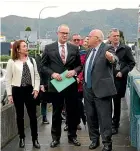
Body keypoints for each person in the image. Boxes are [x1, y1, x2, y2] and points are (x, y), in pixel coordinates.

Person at [41, 24, 82, 148]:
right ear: (57, 33)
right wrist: (52, 74)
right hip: (56, 86)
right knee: (56, 112)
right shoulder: (48, 48)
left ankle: (72, 136)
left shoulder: (74, 48)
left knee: (72, 112)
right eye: (63, 33)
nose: (65, 35)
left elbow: (80, 66)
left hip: (70, 85)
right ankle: (55, 138)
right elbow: (42, 66)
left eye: (67, 33)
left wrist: (74, 71)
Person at [83, 29, 118, 151]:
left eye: (89, 36)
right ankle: (94, 140)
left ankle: (107, 143)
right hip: (88, 89)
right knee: (90, 116)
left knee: (104, 118)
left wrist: (111, 58)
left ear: (97, 38)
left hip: (101, 90)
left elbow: (115, 60)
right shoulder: (89, 51)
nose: (87, 38)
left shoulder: (107, 48)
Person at [5, 40, 40, 149]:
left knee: (33, 116)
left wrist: (36, 89)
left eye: (26, 46)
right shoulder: (12, 62)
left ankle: (35, 139)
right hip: (17, 91)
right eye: (24, 46)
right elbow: (8, 79)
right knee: (20, 116)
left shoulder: (32, 60)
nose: (26, 48)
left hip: (30, 90)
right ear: (18, 49)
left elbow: (36, 76)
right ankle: (22, 138)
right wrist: (10, 95)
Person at [108, 28, 135, 135]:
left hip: (119, 80)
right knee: (107, 103)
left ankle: (115, 125)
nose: (116, 37)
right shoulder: (106, 48)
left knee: (117, 102)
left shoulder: (126, 49)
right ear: (110, 37)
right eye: (114, 36)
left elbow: (131, 63)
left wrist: (122, 72)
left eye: (117, 36)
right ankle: (108, 123)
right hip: (107, 79)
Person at [35, 51, 50, 124]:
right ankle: (41, 117)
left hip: (46, 84)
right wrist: (41, 84)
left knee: (44, 101)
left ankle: (44, 117)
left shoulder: (48, 59)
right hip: (39, 84)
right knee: (37, 100)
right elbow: (38, 72)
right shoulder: (38, 59)